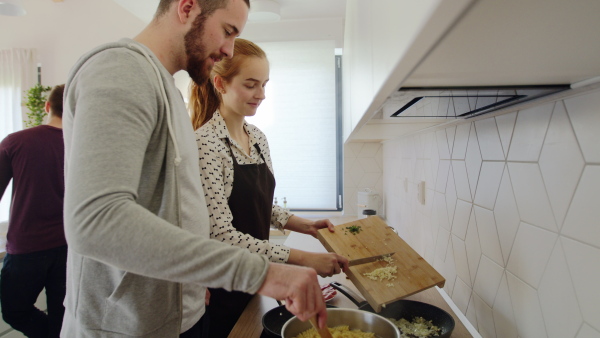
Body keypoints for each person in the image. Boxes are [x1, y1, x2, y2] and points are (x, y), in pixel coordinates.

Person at [61, 0, 327, 337]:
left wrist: (193, 281)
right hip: (126, 326)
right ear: (187, 9)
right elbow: (96, 221)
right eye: (228, 31)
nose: (228, 49)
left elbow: (178, 209)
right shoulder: (121, 69)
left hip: (181, 314)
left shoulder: (167, 91)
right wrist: (266, 273)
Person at [189, 38, 349, 337]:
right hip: (225, 283)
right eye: (251, 84)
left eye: (264, 84)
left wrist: (304, 224)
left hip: (258, 275)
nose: (261, 94)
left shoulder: (258, 137)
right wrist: (304, 259)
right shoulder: (206, 145)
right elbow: (222, 235)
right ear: (220, 84)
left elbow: (259, 202)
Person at [0, 84, 67, 338]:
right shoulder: (84, 147)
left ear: (47, 106)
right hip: (71, 247)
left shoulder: (16, 142)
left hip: (27, 248)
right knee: (64, 316)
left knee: (15, 312)